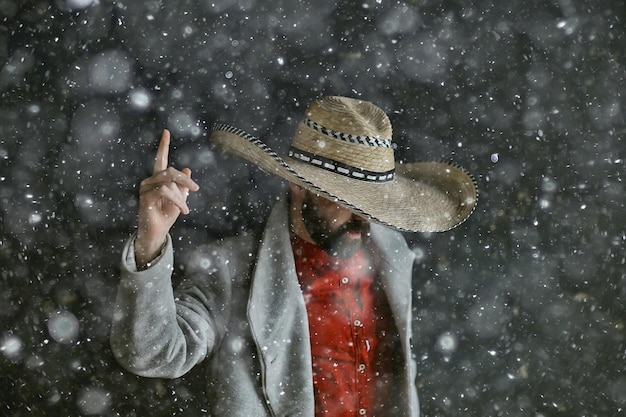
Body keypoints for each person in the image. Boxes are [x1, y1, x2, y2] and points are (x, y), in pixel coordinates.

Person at [110, 96, 478, 416]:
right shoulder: (231, 270)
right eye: (346, 201)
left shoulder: (391, 255)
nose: (361, 220)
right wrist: (150, 245)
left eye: (372, 205)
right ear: (299, 186)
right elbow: (152, 353)